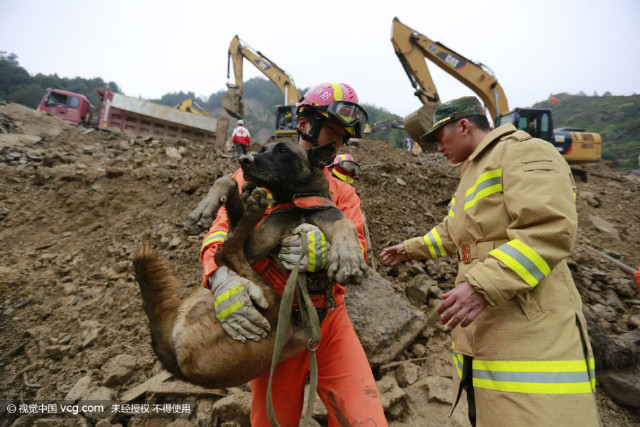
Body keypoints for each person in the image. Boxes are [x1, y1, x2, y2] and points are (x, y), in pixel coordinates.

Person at [380, 96, 599, 426]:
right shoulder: (473, 172)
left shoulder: (523, 151)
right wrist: (410, 248)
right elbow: (455, 232)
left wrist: (482, 285)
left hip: (530, 328)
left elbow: (548, 229)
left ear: (464, 126)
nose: (437, 149)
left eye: (439, 138)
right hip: (489, 330)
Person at [200, 82, 386, 426]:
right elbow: (222, 231)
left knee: (366, 419)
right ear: (305, 124)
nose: (337, 143)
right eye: (332, 130)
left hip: (329, 323)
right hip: (276, 324)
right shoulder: (253, 173)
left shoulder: (342, 192)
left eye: (343, 138)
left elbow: (358, 248)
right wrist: (221, 278)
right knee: (272, 421)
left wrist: (328, 252)